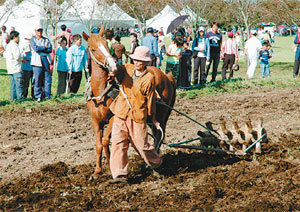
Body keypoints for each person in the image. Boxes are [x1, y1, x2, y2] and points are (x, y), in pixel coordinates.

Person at [109, 46, 162, 183]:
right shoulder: (127, 69)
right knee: (117, 143)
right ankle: (120, 174)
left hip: (137, 116)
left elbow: (150, 101)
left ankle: (156, 164)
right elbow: (116, 70)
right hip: (121, 112)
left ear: (146, 63)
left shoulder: (149, 78)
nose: (137, 63)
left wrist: (154, 119)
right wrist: (113, 72)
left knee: (142, 146)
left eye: (141, 61)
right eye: (136, 60)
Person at [30, 25, 53, 102]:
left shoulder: (46, 39)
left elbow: (50, 49)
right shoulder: (33, 39)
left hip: (45, 59)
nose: (40, 32)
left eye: (41, 30)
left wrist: (43, 48)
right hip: (37, 61)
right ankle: (38, 95)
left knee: (47, 78)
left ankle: (47, 94)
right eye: (38, 30)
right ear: (35, 31)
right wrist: (44, 47)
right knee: (38, 78)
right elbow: (36, 48)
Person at [6, 31, 24, 101]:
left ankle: (13, 99)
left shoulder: (8, 45)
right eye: (18, 37)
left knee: (13, 85)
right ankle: (20, 99)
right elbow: (17, 56)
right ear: (14, 37)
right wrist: (22, 54)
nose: (19, 38)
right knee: (18, 85)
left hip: (10, 68)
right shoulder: (14, 45)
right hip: (16, 67)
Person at [21, 33, 34, 98]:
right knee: (25, 83)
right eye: (27, 39)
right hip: (25, 68)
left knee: (33, 83)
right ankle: (24, 96)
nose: (28, 41)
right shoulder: (23, 47)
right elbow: (21, 57)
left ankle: (33, 95)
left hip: (32, 67)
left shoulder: (34, 47)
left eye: (29, 39)